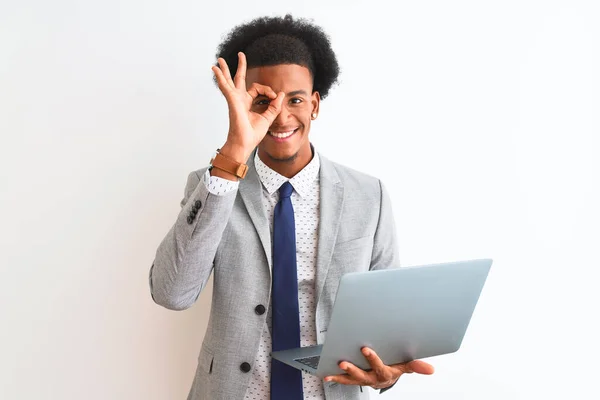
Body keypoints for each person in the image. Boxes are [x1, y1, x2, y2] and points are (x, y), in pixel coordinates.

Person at [149, 14, 434, 400]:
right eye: (263, 101)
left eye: (295, 99)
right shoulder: (213, 186)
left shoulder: (370, 195)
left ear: (314, 104)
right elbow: (172, 293)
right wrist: (234, 153)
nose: (280, 117)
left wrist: (388, 374)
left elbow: (390, 320)